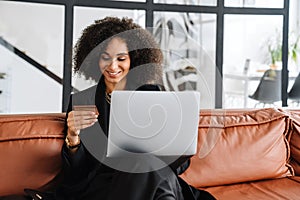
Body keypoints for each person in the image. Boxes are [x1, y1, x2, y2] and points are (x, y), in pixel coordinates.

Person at [53, 16, 215, 200]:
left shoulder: (153, 96)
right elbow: (76, 174)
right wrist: (72, 137)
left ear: (135, 60)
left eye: (121, 58)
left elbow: (179, 167)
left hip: (154, 174)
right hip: (106, 186)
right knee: (155, 181)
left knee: (146, 165)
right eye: (105, 57)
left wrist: (171, 151)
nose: (112, 66)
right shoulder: (82, 101)